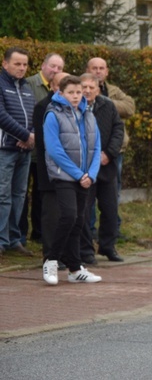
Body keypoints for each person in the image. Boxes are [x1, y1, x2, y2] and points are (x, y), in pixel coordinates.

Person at [42, 75, 102, 285]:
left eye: (78, 92)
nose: (76, 96)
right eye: (71, 93)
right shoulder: (53, 114)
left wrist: (91, 174)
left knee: (79, 221)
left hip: (85, 177)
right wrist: (78, 174)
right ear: (61, 93)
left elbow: (96, 147)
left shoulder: (88, 114)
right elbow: (54, 149)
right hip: (64, 175)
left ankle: (75, 269)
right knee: (68, 216)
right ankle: (50, 260)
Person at [79, 73, 125, 262]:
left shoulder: (108, 105)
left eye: (92, 87)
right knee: (84, 210)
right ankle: (86, 250)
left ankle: (107, 246)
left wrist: (109, 153)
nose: (88, 91)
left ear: (98, 89)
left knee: (110, 209)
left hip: (107, 167)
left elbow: (118, 129)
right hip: (85, 168)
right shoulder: (74, 107)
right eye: (84, 87)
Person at [22, 52, 64, 243]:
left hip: (45, 154)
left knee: (41, 194)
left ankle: (38, 233)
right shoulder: (30, 84)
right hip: (27, 148)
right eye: (52, 66)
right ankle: (20, 234)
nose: (55, 70)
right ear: (43, 65)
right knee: (22, 194)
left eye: (59, 68)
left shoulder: (62, 88)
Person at [0, 47, 36, 257]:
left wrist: (30, 135)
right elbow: (2, 116)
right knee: (2, 196)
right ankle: (1, 240)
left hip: (24, 151)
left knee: (19, 196)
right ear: (5, 64)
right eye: (17, 64)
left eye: (25, 64)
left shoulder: (27, 88)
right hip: (5, 150)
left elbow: (33, 116)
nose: (22, 68)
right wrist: (25, 135)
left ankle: (15, 239)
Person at [34, 71, 69, 262]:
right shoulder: (43, 108)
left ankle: (66, 254)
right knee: (52, 216)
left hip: (72, 173)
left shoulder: (76, 109)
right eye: (64, 85)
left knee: (69, 215)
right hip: (51, 171)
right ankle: (50, 256)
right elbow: (45, 143)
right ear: (54, 87)